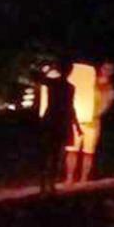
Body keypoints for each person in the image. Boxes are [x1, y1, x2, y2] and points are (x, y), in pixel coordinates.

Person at [34, 60, 81, 194]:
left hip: (53, 120)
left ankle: (46, 184)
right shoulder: (67, 86)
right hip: (59, 121)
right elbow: (71, 107)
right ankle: (48, 184)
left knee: (49, 153)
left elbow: (38, 77)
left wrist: (49, 68)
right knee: (53, 154)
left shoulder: (55, 83)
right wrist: (76, 125)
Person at [69, 61, 114, 183]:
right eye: (104, 67)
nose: (106, 71)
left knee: (88, 152)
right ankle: (69, 178)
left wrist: (95, 114)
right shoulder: (89, 81)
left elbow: (106, 105)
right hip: (78, 119)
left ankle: (83, 178)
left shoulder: (110, 88)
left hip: (93, 121)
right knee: (72, 150)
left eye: (109, 69)